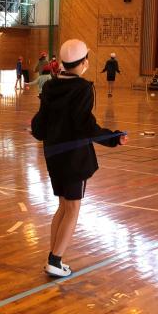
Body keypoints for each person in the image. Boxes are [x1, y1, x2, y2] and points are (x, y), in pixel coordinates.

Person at [31, 39, 127, 278]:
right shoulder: (83, 88)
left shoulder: (51, 85)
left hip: (53, 155)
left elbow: (40, 124)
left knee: (63, 206)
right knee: (73, 208)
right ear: (84, 62)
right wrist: (113, 138)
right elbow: (85, 126)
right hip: (74, 157)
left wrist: (39, 132)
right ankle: (55, 260)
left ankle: (53, 257)